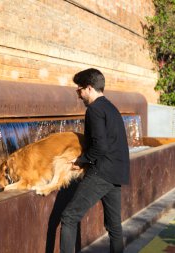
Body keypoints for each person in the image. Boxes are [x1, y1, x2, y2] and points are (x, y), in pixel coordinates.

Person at [60, 68, 130, 253]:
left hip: (102, 172)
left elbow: (101, 146)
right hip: (117, 173)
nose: (78, 95)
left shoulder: (94, 109)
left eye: (79, 90)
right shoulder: (111, 107)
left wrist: (80, 160)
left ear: (89, 88)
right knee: (114, 227)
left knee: (69, 217)